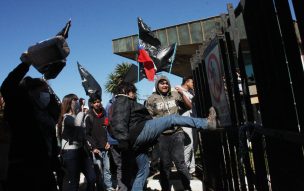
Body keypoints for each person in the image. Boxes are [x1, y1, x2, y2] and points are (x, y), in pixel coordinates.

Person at [110, 82, 218, 191]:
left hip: (134, 141)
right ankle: (206, 123)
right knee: (172, 119)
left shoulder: (122, 102)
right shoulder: (122, 100)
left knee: (144, 170)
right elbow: (118, 121)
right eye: (133, 92)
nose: (134, 95)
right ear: (127, 91)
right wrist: (122, 140)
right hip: (139, 131)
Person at [0, 54, 61, 191]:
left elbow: (50, 140)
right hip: (23, 168)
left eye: (48, 91)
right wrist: (26, 64)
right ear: (31, 92)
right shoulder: (21, 109)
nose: (47, 94)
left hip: (44, 168)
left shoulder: (47, 114)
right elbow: (7, 86)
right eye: (43, 90)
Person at [146, 75, 193, 191]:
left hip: (177, 133)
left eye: (166, 83)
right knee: (165, 165)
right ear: (157, 85)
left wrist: (182, 94)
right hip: (161, 136)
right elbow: (147, 117)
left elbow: (189, 106)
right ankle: (165, 188)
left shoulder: (175, 95)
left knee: (180, 162)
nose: (164, 85)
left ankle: (187, 187)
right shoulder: (151, 99)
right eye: (161, 83)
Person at [57, 94, 96, 191]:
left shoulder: (76, 115)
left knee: (92, 177)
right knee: (74, 182)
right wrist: (82, 109)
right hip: (70, 153)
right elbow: (77, 123)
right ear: (69, 103)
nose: (78, 102)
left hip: (81, 150)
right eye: (75, 100)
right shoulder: (66, 117)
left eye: (78, 100)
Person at [85, 96, 114, 191]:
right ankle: (100, 188)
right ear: (92, 104)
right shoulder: (88, 116)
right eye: (95, 102)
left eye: (98, 101)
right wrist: (93, 148)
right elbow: (87, 134)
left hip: (106, 147)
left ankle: (108, 187)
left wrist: (109, 142)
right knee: (98, 170)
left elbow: (109, 129)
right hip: (96, 149)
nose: (97, 104)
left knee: (107, 170)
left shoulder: (105, 115)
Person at [179, 76, 197, 176]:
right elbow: (189, 105)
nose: (194, 84)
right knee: (188, 144)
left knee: (194, 145)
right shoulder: (178, 89)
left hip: (193, 118)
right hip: (185, 119)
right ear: (187, 82)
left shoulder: (191, 92)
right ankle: (184, 169)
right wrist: (182, 94)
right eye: (192, 82)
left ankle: (192, 169)